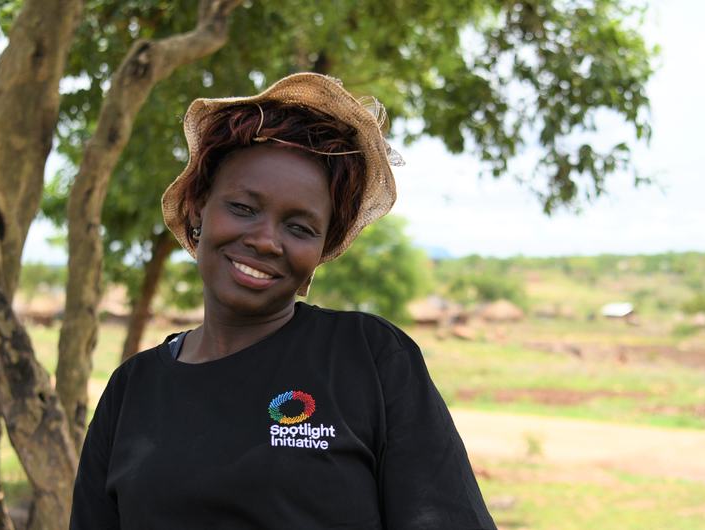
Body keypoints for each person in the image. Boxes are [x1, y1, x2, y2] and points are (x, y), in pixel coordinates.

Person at [70, 73, 496, 529]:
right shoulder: (133, 389)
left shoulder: (369, 358)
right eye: (243, 208)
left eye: (299, 227)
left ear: (322, 249)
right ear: (198, 208)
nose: (267, 241)